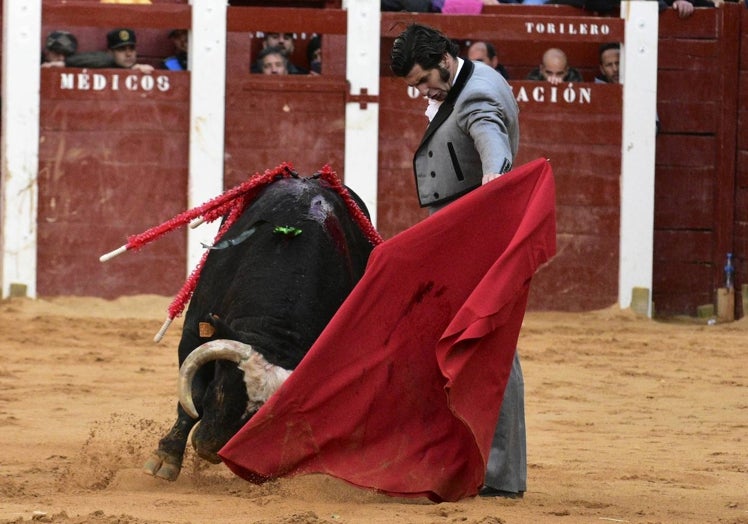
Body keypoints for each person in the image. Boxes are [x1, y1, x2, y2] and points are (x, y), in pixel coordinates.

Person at [390, 23, 526, 499]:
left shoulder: (475, 98)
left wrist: (491, 194)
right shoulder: (473, 76)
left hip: (473, 238)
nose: (422, 92)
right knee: (467, 345)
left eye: (424, 80)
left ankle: (501, 476)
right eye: (415, 86)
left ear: (445, 59)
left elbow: (496, 155)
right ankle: (464, 460)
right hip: (457, 235)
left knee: (489, 349)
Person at [65, 28, 154, 73]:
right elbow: (80, 59)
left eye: (132, 49)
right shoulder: (104, 62)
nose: (128, 54)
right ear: (110, 52)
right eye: (121, 49)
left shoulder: (141, 68)